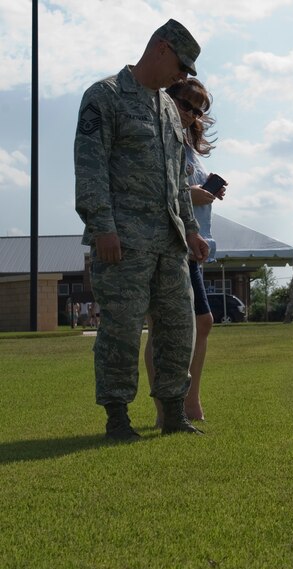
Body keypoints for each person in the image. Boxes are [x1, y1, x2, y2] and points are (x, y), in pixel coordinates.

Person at [74, 19, 208, 441]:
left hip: (169, 243)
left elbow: (175, 178)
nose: (182, 78)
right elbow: (90, 167)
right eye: (181, 67)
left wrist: (190, 230)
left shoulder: (169, 108)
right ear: (161, 48)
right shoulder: (105, 97)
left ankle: (173, 413)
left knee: (177, 327)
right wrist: (102, 227)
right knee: (121, 329)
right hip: (123, 241)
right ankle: (117, 418)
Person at [144, 77, 226, 425]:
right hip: (168, 242)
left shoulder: (188, 143)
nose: (191, 114)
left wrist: (206, 192)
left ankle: (188, 401)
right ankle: (170, 408)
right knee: (167, 327)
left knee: (201, 323)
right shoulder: (156, 134)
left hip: (194, 243)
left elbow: (186, 186)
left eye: (198, 110)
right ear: (169, 97)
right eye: (186, 103)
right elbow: (153, 188)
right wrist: (191, 193)